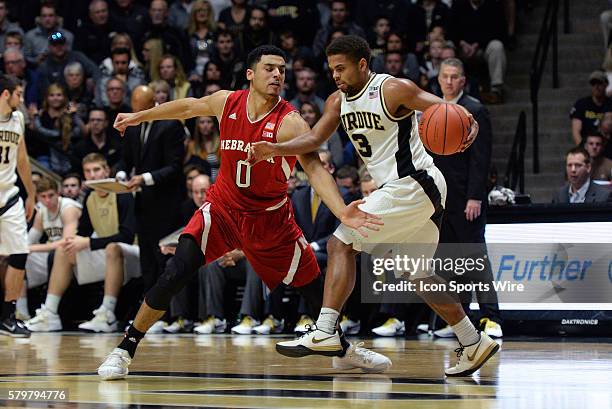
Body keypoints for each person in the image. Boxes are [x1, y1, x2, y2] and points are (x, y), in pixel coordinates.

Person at [97, 44, 389, 380]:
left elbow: (316, 169)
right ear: (250, 74)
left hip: (270, 220)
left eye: (282, 69)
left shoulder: (289, 121)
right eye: (269, 68)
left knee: (315, 291)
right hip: (222, 210)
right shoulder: (227, 102)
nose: (277, 74)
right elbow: (189, 107)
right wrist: (139, 116)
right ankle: (125, 349)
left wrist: (342, 212)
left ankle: (342, 350)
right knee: (175, 271)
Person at [249, 35, 499, 377]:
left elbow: (443, 108)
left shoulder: (393, 89)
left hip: (413, 183)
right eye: (331, 69)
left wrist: (465, 120)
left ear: (362, 64)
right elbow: (314, 139)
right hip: (406, 192)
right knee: (419, 274)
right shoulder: (337, 102)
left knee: (340, 243)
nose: (335, 75)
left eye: (341, 68)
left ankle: (325, 329)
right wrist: (274, 149)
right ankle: (473, 342)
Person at [25, 153, 140, 332]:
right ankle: (50, 313)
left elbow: (126, 235)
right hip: (105, 252)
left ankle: (107, 315)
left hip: (132, 253)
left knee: (112, 247)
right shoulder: (89, 197)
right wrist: (75, 240)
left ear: (106, 170)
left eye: (96, 170)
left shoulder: (122, 193)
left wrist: (87, 242)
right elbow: (84, 233)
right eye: (88, 171)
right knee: (65, 249)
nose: (93, 175)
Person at [430, 58, 502, 339]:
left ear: (463, 80)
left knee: (475, 259)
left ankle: (491, 317)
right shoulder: (431, 110)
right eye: (445, 76)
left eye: (454, 77)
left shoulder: (475, 109)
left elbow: (480, 159)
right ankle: (458, 321)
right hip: (440, 200)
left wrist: (475, 196)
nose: (449, 81)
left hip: (465, 199)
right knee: (447, 261)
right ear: (438, 79)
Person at [0, 75, 36, 337]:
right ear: (5, 94)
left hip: (9, 195)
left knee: (19, 253)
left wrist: (31, 195)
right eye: (18, 94)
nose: (21, 99)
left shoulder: (18, 119)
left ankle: (8, 316)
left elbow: (22, 159)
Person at [25, 176, 82, 297]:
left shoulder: (68, 208)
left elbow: (67, 241)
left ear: (58, 193)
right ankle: (20, 310)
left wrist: (31, 248)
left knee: (55, 254)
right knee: (17, 257)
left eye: (51, 195)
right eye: (43, 197)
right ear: (37, 197)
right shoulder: (41, 212)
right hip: (52, 253)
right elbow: (29, 240)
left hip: (75, 252)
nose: (47, 201)